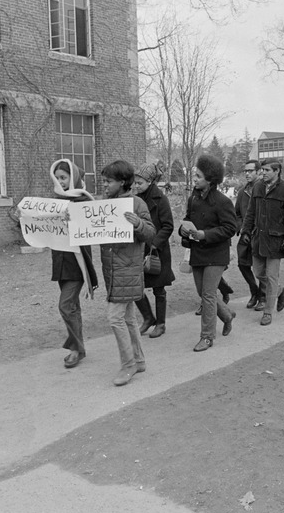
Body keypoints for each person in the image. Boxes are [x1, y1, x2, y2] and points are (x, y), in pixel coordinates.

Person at [98, 160, 156, 386]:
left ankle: (128, 364)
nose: (104, 185)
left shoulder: (137, 203)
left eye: (108, 181)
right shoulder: (106, 204)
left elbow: (151, 233)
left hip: (127, 270)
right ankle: (139, 360)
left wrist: (138, 224)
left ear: (122, 182)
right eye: (103, 181)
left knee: (115, 318)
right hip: (112, 270)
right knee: (129, 318)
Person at [43, 159, 99, 370]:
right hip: (61, 261)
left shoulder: (84, 200)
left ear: (73, 178)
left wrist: (72, 219)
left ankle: (76, 349)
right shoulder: (55, 201)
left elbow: (89, 226)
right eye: (57, 178)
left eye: (64, 177)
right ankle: (79, 347)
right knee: (73, 306)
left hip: (77, 262)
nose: (60, 181)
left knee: (65, 305)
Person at [178, 155, 238, 351]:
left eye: (198, 176)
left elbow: (230, 228)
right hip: (198, 253)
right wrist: (184, 231)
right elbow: (187, 219)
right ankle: (227, 316)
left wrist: (205, 234)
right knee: (203, 293)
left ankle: (207, 337)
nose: (194, 179)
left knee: (209, 294)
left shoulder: (222, 201)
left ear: (210, 179)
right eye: (195, 175)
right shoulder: (193, 198)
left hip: (216, 254)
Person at [241, 158, 284, 325]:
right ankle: (280, 291)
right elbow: (251, 211)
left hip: (276, 240)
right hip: (258, 238)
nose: (262, 173)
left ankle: (268, 312)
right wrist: (245, 230)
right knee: (259, 273)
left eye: (266, 170)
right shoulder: (258, 187)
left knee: (271, 276)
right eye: (262, 170)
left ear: (276, 171)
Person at [131, 163, 175, 339]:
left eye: (139, 183)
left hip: (157, 251)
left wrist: (155, 243)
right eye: (135, 182)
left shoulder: (161, 199)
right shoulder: (135, 199)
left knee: (159, 289)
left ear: (149, 181)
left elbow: (168, 225)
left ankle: (161, 323)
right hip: (139, 249)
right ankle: (148, 317)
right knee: (135, 287)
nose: (136, 186)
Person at [234, 159, 265, 309]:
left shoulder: (265, 189)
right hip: (246, 234)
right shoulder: (242, 192)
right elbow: (237, 214)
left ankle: (264, 297)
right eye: (245, 171)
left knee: (261, 267)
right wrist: (241, 227)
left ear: (259, 172)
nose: (247, 174)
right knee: (242, 264)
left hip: (261, 235)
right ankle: (255, 292)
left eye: (250, 171)